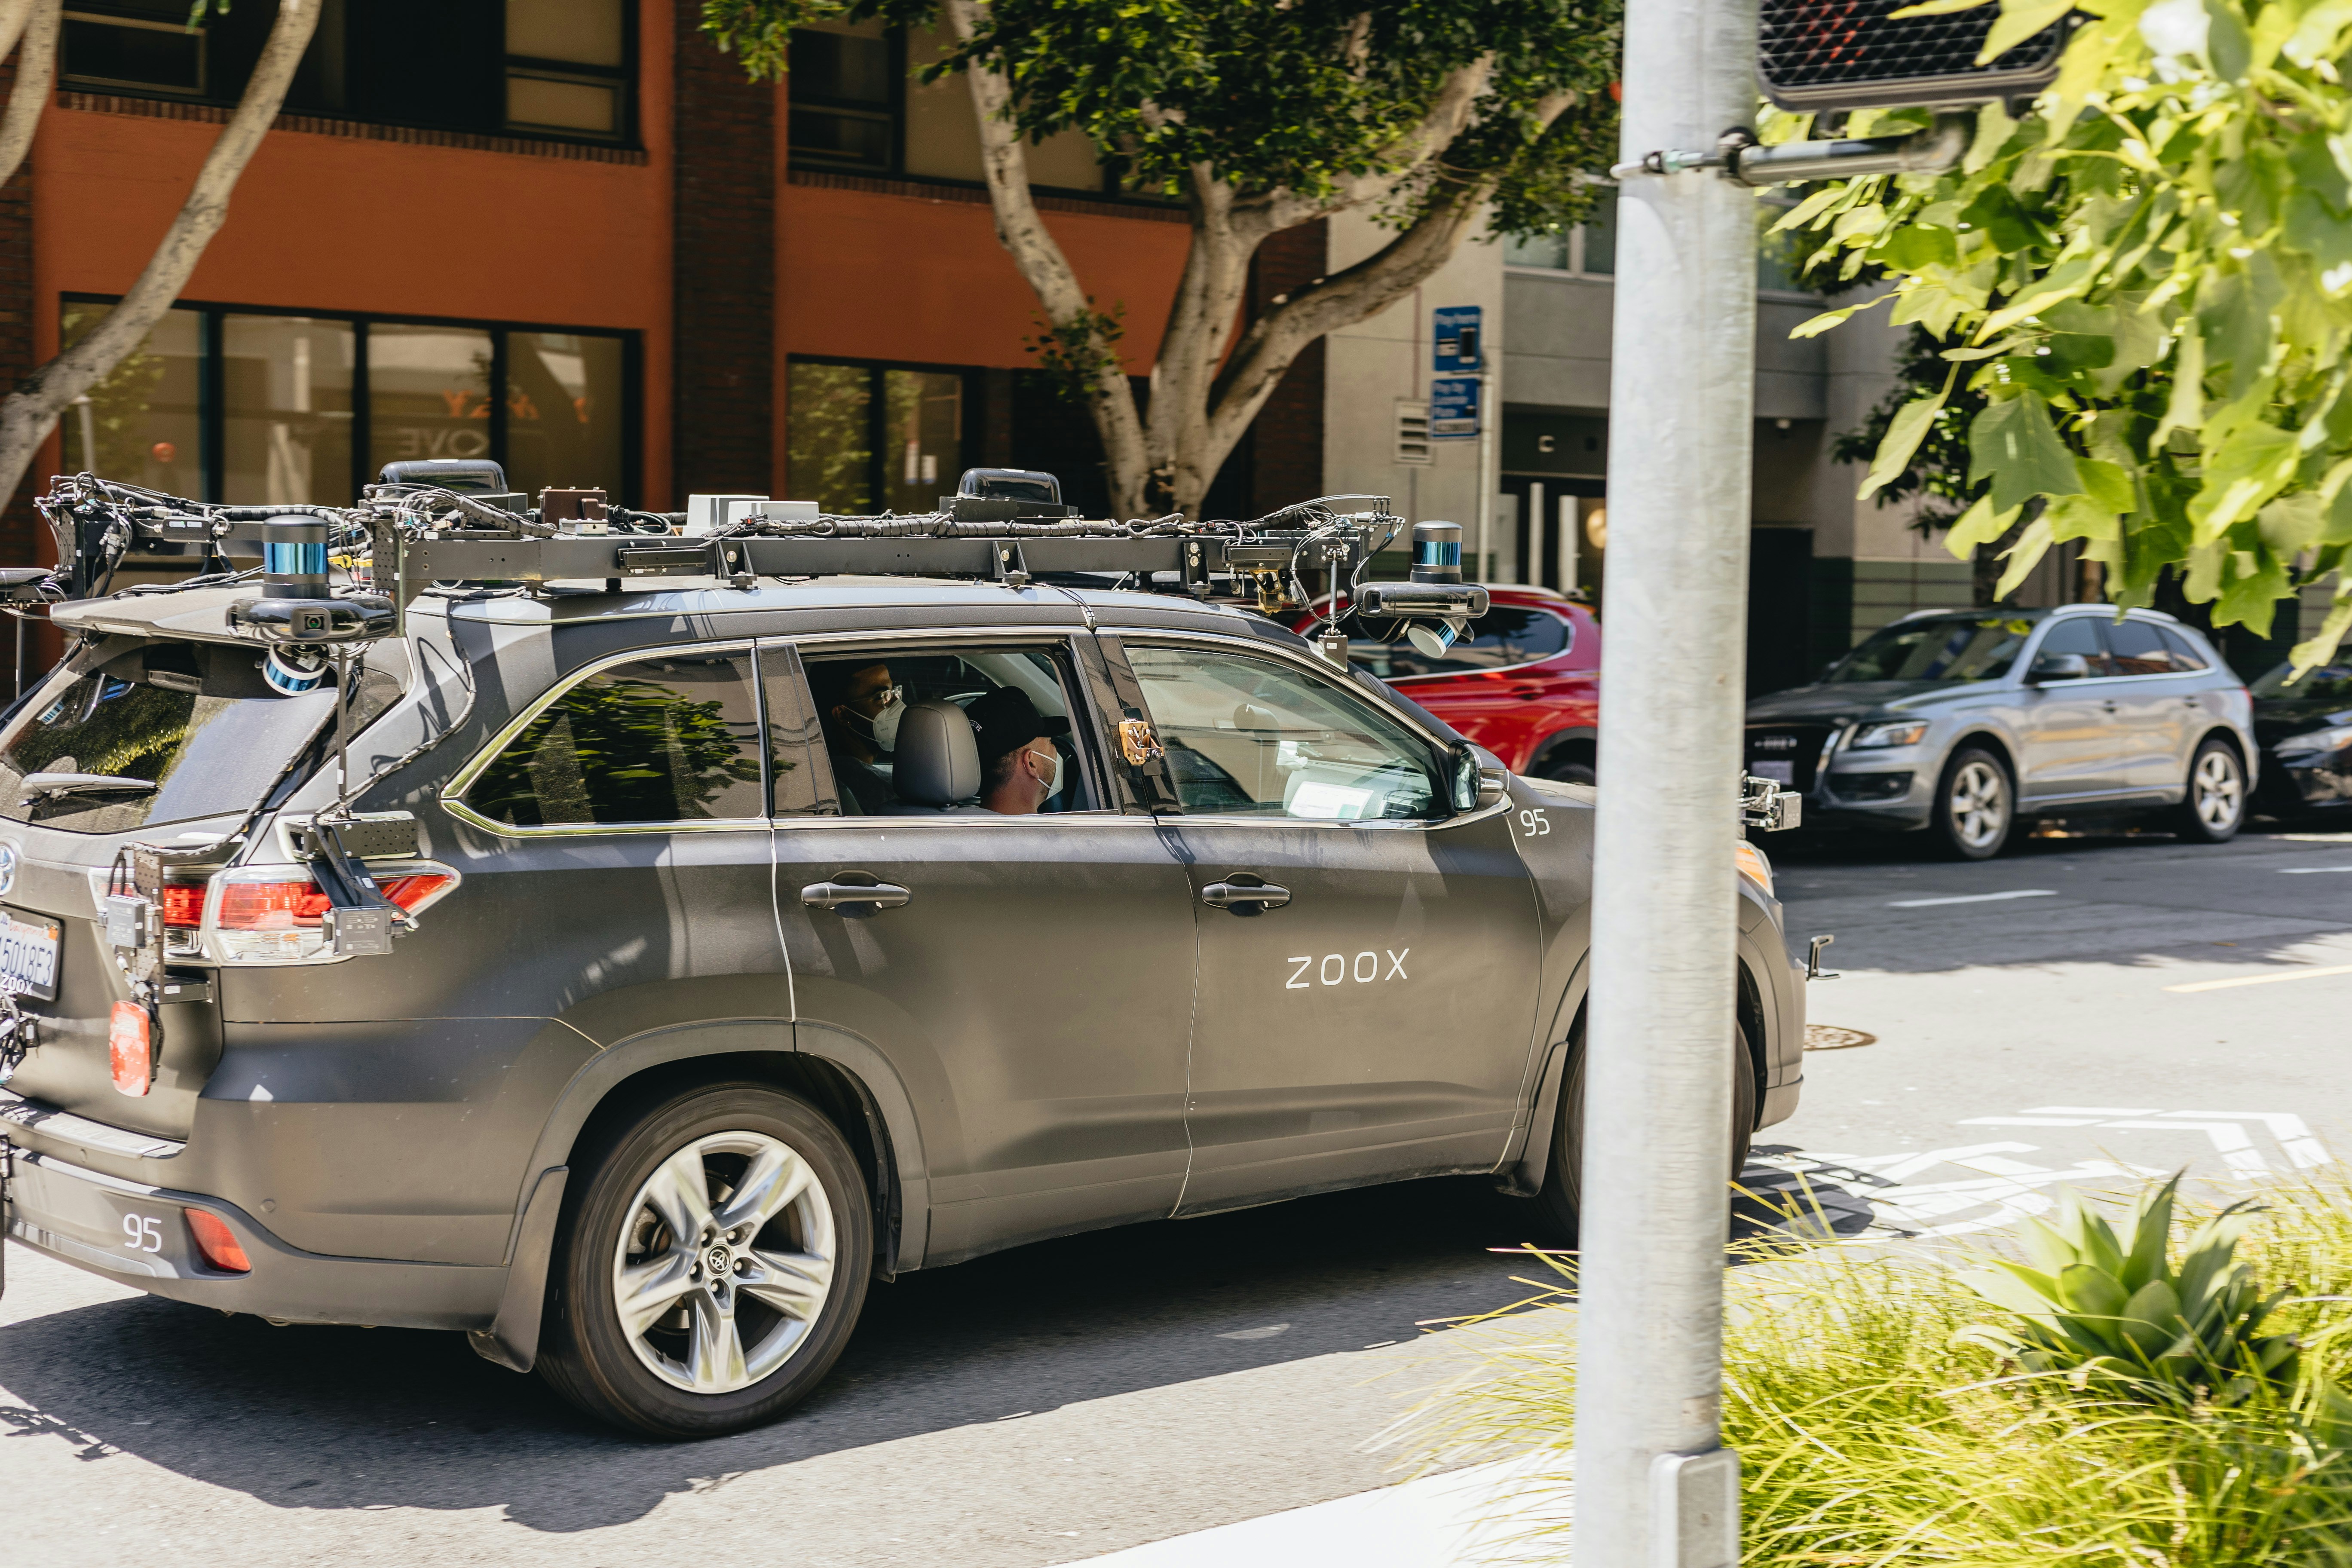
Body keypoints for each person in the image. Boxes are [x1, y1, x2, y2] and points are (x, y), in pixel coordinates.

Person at [963, 686, 1072, 815]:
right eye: (1050, 742)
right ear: (1031, 763)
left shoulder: (956, 827)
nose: (1055, 750)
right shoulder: (1045, 835)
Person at [814, 659, 903, 815]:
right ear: (843, 715)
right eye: (881, 697)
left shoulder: (827, 771)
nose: (897, 704)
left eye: (893, 692)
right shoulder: (886, 794)